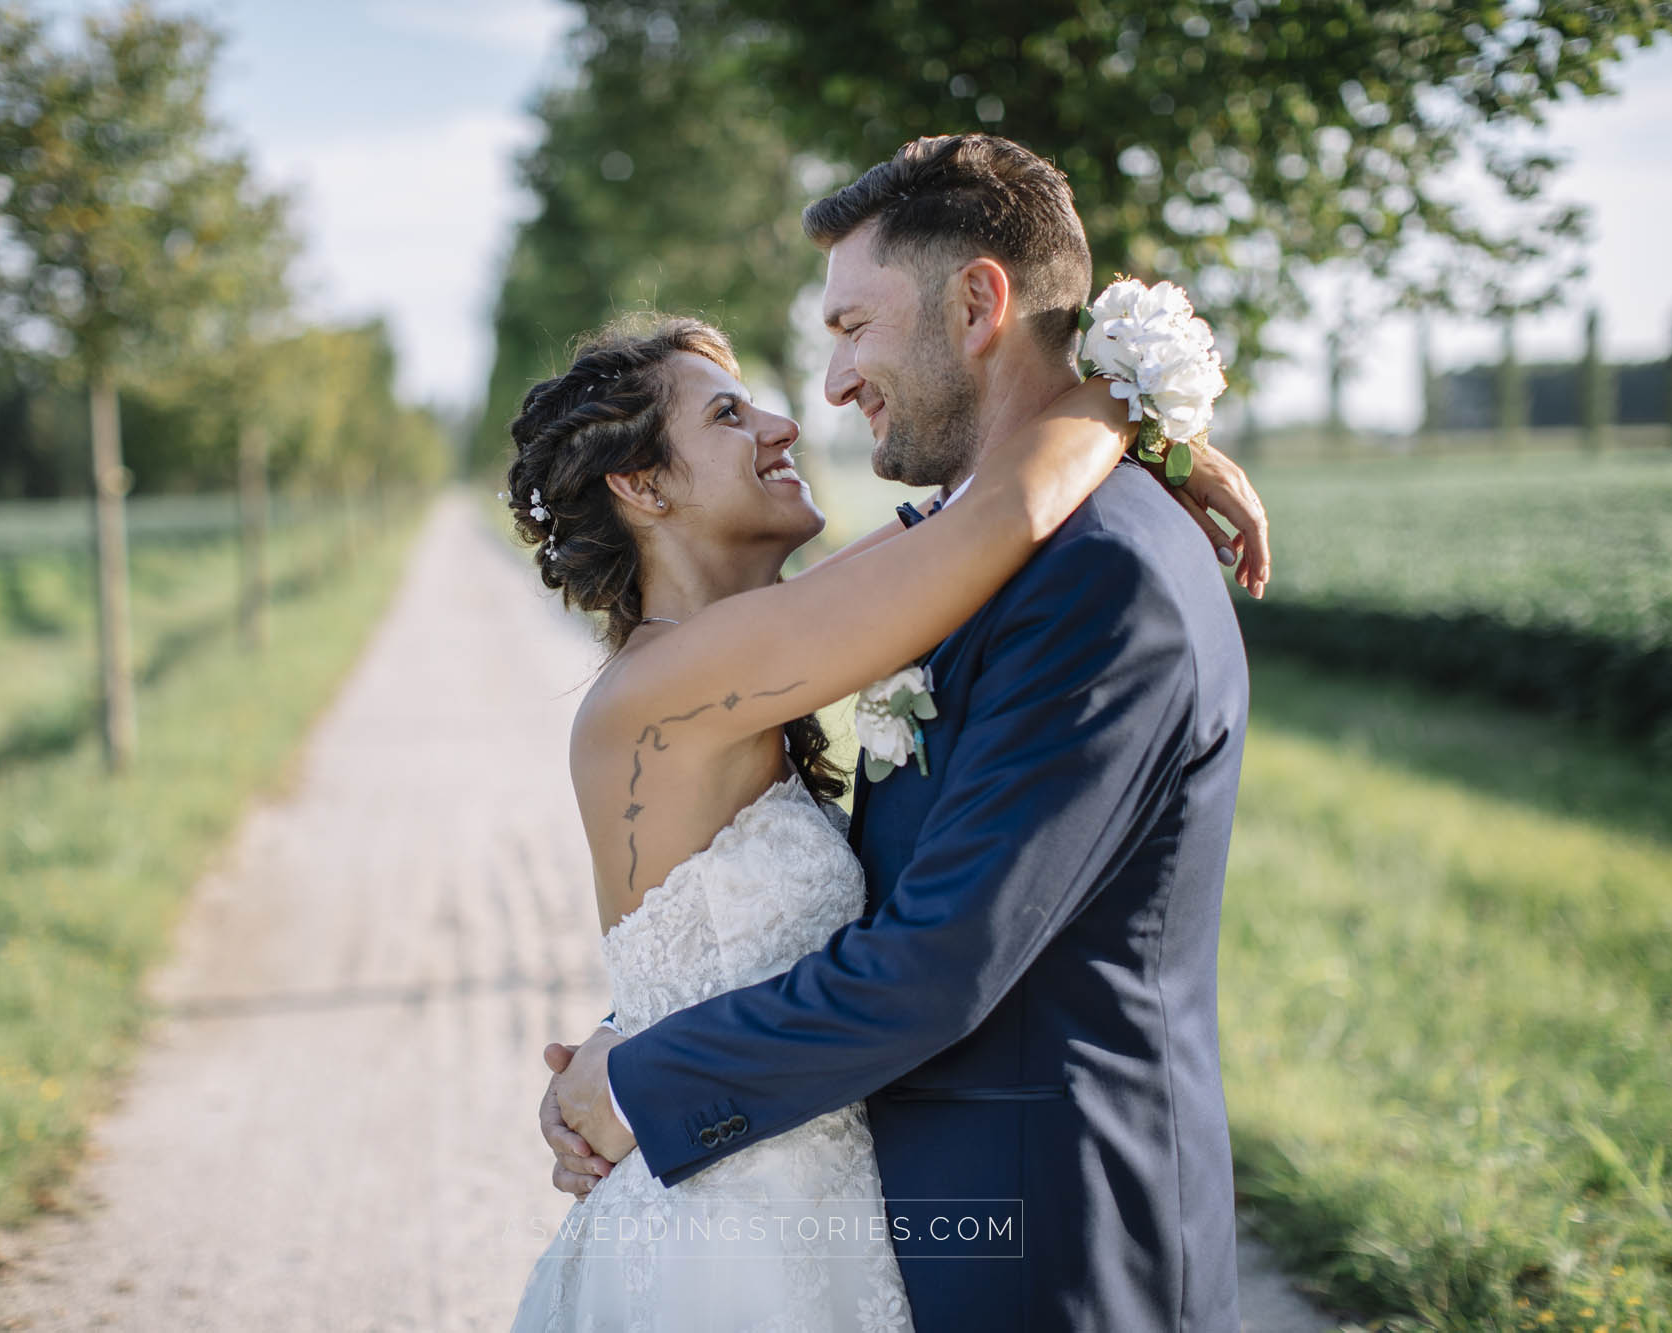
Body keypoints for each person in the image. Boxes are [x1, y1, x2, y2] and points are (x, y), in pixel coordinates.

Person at [524, 134, 1267, 1332]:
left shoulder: (1058, 575)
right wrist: (1122, 415)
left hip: (1024, 1233)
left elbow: (976, 520)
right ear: (642, 489)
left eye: (850, 329)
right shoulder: (711, 667)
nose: (805, 403)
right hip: (767, 1231)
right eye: (728, 413)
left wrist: (1144, 435)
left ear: (977, 303)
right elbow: (996, 509)